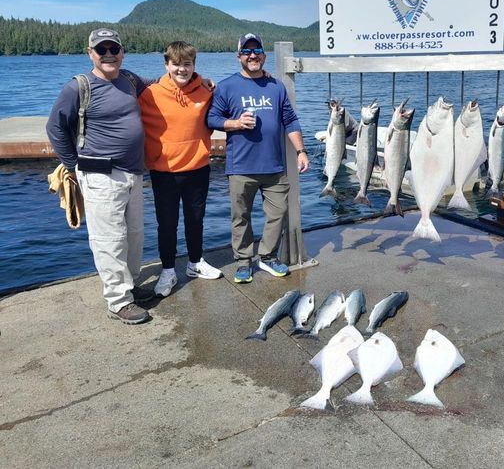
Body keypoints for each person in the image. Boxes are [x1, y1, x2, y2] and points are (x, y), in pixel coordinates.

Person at [46, 28, 154, 325]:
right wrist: (73, 166)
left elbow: (159, 84)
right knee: (110, 239)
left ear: (122, 52)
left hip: (133, 173)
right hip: (99, 174)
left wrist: (199, 80)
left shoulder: (130, 79)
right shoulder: (78, 87)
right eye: (101, 50)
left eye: (114, 49)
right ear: (90, 53)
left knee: (133, 235)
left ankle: (130, 285)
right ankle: (118, 301)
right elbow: (55, 128)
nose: (108, 55)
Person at [207, 33, 310, 283]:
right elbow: (211, 119)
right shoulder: (227, 86)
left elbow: (290, 120)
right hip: (241, 166)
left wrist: (301, 150)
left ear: (264, 55)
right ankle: (244, 261)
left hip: (275, 167)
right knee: (240, 217)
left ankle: (267, 256)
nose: (252, 56)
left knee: (278, 213)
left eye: (257, 51)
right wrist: (235, 123)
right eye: (246, 52)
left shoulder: (276, 86)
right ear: (239, 56)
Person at [139, 41, 223, 297]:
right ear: (167, 65)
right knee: (167, 224)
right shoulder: (150, 94)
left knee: (195, 220)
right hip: (163, 171)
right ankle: (167, 270)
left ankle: (195, 263)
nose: (182, 69)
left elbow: (222, 108)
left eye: (187, 64)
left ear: (194, 66)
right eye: (176, 64)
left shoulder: (207, 92)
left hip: (197, 168)